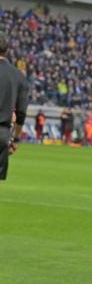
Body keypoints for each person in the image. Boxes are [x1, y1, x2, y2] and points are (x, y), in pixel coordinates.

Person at [0, 33, 29, 181]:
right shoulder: (18, 76)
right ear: (7, 49)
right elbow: (22, 112)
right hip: (2, 134)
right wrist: (16, 139)